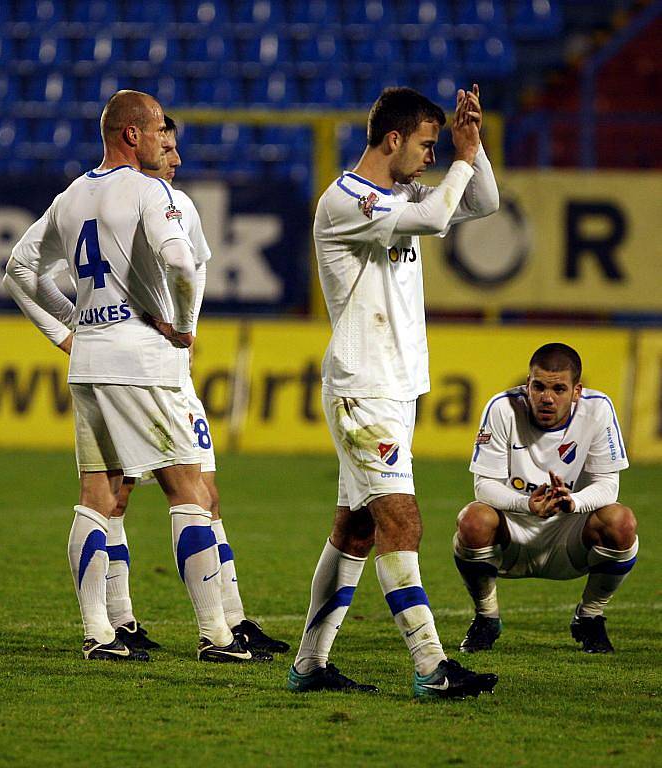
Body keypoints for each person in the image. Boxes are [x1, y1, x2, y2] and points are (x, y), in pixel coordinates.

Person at [4, 90, 255, 663]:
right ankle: (217, 636)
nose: (164, 140)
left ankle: (100, 634)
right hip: (141, 359)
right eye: (155, 129)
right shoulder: (150, 191)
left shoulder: (71, 196)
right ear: (131, 135)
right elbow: (178, 262)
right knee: (188, 490)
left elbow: (19, 269)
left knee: (98, 496)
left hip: (89, 360)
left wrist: (72, 326)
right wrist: (183, 325)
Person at [287, 85, 500, 699]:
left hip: (392, 389)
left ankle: (310, 664)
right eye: (428, 145)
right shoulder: (346, 199)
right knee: (400, 519)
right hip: (364, 390)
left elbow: (482, 202)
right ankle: (431, 664)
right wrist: (459, 157)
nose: (433, 157)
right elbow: (438, 218)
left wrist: (472, 147)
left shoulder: (398, 193)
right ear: (394, 139)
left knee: (355, 530)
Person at [108, 115, 289, 659]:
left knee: (204, 495)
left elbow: (198, 270)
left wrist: (185, 330)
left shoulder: (160, 206)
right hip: (142, 367)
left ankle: (231, 621)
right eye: (168, 145)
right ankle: (125, 622)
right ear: (140, 145)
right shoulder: (138, 202)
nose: (177, 157)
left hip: (168, 371)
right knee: (122, 496)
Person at [455, 342, 638, 654]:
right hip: (513, 532)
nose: (547, 398)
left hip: (570, 536)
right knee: (472, 519)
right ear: (528, 384)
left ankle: (590, 616)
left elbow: (609, 486)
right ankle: (487, 618)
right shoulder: (502, 408)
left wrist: (574, 502)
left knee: (621, 522)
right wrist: (526, 503)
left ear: (577, 391)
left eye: (559, 389)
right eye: (538, 386)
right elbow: (484, 486)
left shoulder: (598, 410)